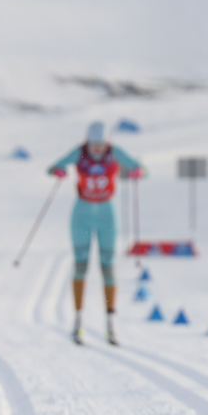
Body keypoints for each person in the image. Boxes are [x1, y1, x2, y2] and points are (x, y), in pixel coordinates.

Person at [48, 122, 144, 345]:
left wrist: (138, 171)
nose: (97, 150)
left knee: (108, 267)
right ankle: (78, 321)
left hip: (106, 212)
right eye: (94, 145)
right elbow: (53, 167)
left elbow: (139, 167)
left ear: (107, 142)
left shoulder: (115, 153)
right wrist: (58, 171)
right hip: (82, 212)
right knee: (81, 265)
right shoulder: (79, 153)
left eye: (101, 145)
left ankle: (111, 323)